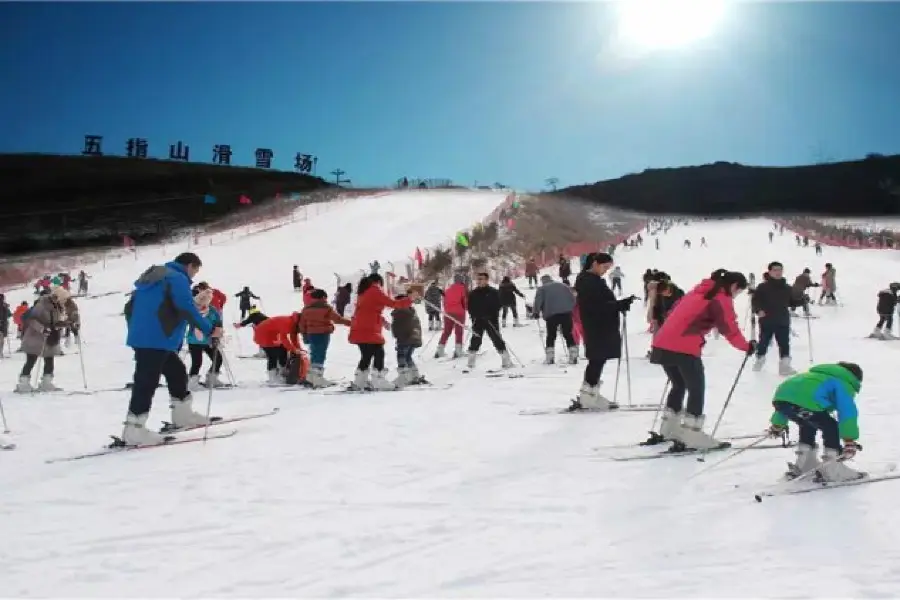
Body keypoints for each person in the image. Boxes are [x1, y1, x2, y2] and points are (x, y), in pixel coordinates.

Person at [122, 252, 223, 445]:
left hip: (148, 337)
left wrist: (137, 332)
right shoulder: (177, 278)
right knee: (146, 382)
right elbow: (186, 307)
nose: (194, 276)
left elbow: (130, 307)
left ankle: (182, 415)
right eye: (195, 270)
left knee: (176, 372)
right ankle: (134, 430)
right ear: (190, 265)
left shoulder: (155, 277)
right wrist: (210, 330)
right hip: (156, 338)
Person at [650, 269, 754, 449]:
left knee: (679, 384)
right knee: (696, 388)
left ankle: (669, 427)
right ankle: (692, 434)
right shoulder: (720, 298)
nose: (736, 295)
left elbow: (673, 311)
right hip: (683, 346)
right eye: (738, 292)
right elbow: (729, 328)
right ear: (734, 286)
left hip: (662, 343)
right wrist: (747, 346)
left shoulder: (698, 291)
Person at [767, 362, 864, 482]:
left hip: (781, 398)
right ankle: (832, 468)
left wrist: (777, 424)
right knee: (831, 427)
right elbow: (847, 411)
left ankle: (805, 461)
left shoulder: (813, 376)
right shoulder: (842, 382)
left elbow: (793, 397)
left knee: (807, 422)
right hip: (807, 403)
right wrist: (849, 440)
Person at [570, 253, 634, 410]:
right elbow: (596, 306)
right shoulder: (587, 281)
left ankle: (590, 393)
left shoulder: (592, 280)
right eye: (604, 267)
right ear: (595, 263)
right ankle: (588, 395)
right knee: (597, 359)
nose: (606, 271)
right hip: (597, 325)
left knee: (598, 359)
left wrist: (619, 304)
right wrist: (618, 305)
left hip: (600, 325)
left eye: (608, 268)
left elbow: (602, 303)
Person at [348, 273, 417, 390]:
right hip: (369, 328)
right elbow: (393, 304)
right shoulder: (375, 290)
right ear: (378, 282)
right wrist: (410, 300)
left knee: (366, 355)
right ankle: (378, 379)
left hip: (359, 327)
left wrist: (382, 320)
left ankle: (360, 381)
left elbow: (368, 309)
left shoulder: (363, 292)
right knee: (379, 351)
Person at [15, 287, 72, 393]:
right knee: (31, 360)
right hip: (35, 338)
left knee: (49, 360)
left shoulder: (57, 306)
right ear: (56, 297)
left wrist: (66, 324)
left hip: (49, 338)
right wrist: (42, 329)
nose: (63, 301)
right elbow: (31, 320)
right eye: (62, 299)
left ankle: (46, 383)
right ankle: (23, 384)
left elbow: (54, 321)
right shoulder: (42, 305)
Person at [298, 289, 351, 387]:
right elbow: (338, 319)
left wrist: (304, 336)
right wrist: (352, 323)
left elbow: (302, 324)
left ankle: (311, 377)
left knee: (314, 354)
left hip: (311, 334)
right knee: (320, 354)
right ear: (323, 297)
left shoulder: (306, 309)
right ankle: (318, 379)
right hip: (322, 334)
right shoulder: (326, 308)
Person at [751, 261, 796, 376]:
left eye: (780, 270)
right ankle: (760, 359)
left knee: (784, 343)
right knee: (764, 342)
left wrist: (802, 299)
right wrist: (758, 310)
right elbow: (755, 301)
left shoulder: (787, 288)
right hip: (767, 320)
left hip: (782, 320)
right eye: (775, 270)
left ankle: (784, 366)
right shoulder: (762, 287)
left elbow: (792, 302)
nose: (778, 272)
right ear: (770, 272)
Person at [466, 272, 513, 369]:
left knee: (497, 339)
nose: (479, 281)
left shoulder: (493, 292)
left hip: (491, 320)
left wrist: (491, 314)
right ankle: (471, 362)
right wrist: (474, 316)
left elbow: (499, 305)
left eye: (481, 279)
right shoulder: (473, 293)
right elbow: (469, 307)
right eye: (478, 279)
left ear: (487, 280)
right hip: (478, 320)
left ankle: (506, 360)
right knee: (475, 340)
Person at [533, 274, 578, 365]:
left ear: (543, 281)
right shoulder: (563, 286)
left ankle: (550, 357)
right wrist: (569, 308)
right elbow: (573, 298)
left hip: (551, 315)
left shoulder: (542, 289)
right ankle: (573, 355)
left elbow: (538, 301)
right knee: (568, 334)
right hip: (566, 313)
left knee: (551, 336)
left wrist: (536, 312)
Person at [186, 287, 225, 390]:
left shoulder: (212, 310)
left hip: (209, 340)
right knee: (197, 362)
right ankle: (192, 383)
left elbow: (218, 323)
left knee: (218, 359)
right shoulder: (192, 310)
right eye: (198, 303)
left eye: (202, 303)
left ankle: (212, 379)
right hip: (194, 341)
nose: (199, 305)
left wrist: (216, 336)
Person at [253, 312, 306, 384]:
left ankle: (282, 371)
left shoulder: (294, 323)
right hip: (263, 334)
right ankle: (273, 378)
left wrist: (298, 349)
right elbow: (284, 338)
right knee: (272, 355)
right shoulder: (288, 322)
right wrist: (294, 349)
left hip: (272, 335)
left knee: (283, 349)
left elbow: (294, 338)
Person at [390, 292, 427, 386]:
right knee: (408, 357)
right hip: (414, 337)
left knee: (401, 356)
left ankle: (403, 377)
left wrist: (397, 335)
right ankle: (414, 375)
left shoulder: (401, 311)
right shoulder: (411, 310)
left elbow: (398, 327)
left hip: (405, 338)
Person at [434, 274, 467, 359]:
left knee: (446, 331)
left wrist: (447, 310)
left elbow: (444, 302)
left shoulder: (448, 289)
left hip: (448, 313)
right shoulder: (463, 289)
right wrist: (465, 308)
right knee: (459, 331)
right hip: (459, 313)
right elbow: (465, 301)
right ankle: (458, 351)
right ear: (461, 281)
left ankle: (440, 350)